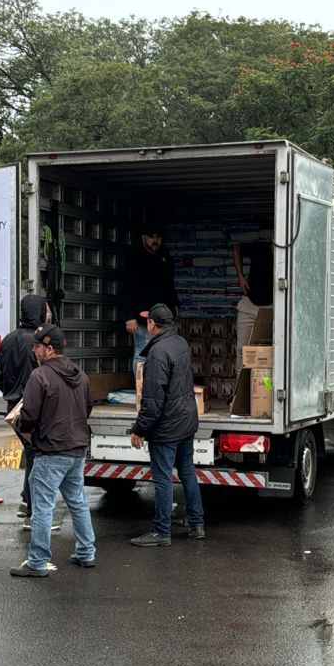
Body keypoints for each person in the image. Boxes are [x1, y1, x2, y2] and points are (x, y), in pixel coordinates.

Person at [9, 324, 97, 576]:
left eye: (37, 346)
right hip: (76, 448)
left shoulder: (40, 376)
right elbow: (87, 408)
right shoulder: (80, 375)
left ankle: (37, 562)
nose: (34, 350)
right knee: (78, 502)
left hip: (50, 450)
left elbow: (29, 416)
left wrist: (19, 424)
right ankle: (86, 552)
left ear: (49, 349)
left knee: (42, 507)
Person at [128, 303, 204, 547]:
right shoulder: (180, 343)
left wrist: (139, 429)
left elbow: (152, 400)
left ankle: (161, 531)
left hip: (167, 426)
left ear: (152, 324)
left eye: (147, 321)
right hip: (186, 420)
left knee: (162, 478)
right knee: (187, 472)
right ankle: (196, 524)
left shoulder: (157, 353)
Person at [0, 293, 51, 518]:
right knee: (37, 454)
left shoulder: (8, 339)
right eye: (46, 310)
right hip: (32, 407)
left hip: (12, 407)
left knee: (32, 452)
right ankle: (32, 505)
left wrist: (12, 393)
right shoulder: (40, 343)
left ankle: (28, 500)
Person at [121, 225, 179, 365]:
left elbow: (169, 284)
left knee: (165, 351)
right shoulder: (135, 259)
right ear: (144, 238)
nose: (155, 241)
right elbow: (128, 289)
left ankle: (158, 379)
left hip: (164, 316)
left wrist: (175, 304)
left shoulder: (165, 257)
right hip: (143, 316)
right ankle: (141, 380)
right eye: (151, 237)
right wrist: (129, 316)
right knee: (142, 352)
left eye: (158, 237)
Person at [231, 236, 273, 364]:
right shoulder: (261, 248)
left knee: (266, 351)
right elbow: (236, 248)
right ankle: (240, 377)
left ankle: (263, 378)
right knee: (242, 350)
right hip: (248, 305)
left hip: (271, 307)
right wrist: (240, 277)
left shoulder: (287, 255)